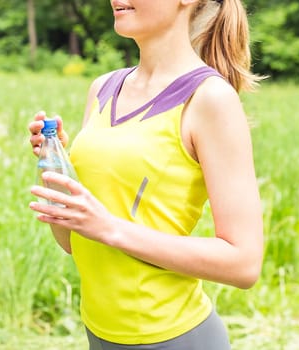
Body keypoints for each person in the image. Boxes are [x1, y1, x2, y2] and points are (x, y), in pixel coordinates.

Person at [28, 0, 264, 348]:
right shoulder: (103, 89)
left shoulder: (210, 99)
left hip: (175, 337)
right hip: (100, 334)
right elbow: (72, 243)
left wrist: (109, 227)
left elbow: (243, 264)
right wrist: (55, 163)